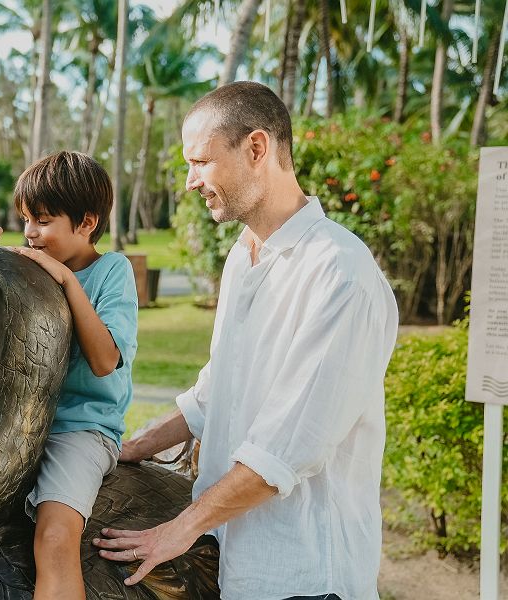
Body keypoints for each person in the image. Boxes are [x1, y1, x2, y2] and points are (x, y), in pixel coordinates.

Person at [92, 81, 399, 600]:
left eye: (201, 162)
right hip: (237, 566)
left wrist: (176, 530)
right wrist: (129, 448)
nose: (190, 181)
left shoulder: (340, 274)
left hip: (305, 578)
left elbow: (283, 451)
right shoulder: (243, 255)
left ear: (257, 148)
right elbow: (217, 394)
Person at [10, 151, 139, 600]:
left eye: (43, 220)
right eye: (26, 220)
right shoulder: (29, 271)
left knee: (54, 538)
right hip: (23, 426)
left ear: (86, 222)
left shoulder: (112, 272)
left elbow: (105, 360)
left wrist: (66, 281)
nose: (30, 233)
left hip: (81, 429)